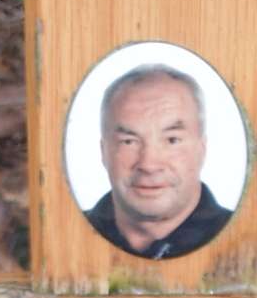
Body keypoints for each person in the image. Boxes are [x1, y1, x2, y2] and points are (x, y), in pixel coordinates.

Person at [82, 63, 232, 258]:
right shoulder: (62, 240)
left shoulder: (247, 241)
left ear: (202, 150)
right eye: (129, 141)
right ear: (103, 151)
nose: (149, 165)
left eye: (172, 140)